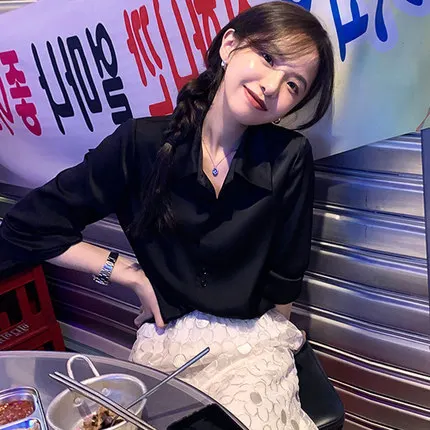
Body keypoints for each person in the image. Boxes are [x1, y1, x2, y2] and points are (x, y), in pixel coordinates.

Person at [0, 2, 334, 428]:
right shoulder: (140, 143)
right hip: (169, 337)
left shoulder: (290, 157)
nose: (271, 86)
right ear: (229, 45)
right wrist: (128, 274)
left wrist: (278, 354)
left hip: (254, 339)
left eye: (292, 85)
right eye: (268, 57)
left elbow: (286, 277)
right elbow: (26, 226)